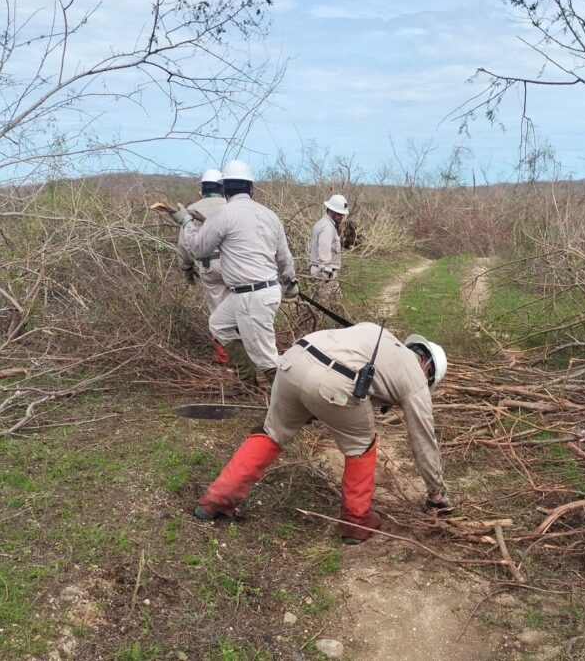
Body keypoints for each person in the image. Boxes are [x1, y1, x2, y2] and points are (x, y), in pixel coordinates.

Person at [191, 323, 453, 545]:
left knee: (272, 432)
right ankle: (356, 522)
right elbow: (423, 439)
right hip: (335, 381)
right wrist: (436, 493)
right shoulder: (416, 377)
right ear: (428, 368)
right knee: (362, 444)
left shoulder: (377, 334)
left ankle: (216, 500)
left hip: (292, 361)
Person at [172, 159, 297, 394]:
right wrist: (290, 282)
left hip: (251, 295)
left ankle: (288, 403)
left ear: (225, 189)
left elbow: (198, 249)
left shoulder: (223, 215)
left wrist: (187, 223)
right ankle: (246, 383)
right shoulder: (269, 215)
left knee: (265, 356)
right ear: (251, 188)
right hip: (262, 291)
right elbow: (284, 256)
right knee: (219, 324)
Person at [176, 168, 230, 366]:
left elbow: (184, 245)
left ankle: (224, 358)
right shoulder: (231, 207)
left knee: (219, 312)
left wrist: (187, 268)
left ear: (202, 188)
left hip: (208, 266)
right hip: (237, 265)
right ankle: (246, 356)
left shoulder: (190, 210)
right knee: (242, 308)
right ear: (222, 188)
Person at [308, 194, 348, 307]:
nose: (341, 217)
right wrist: (325, 275)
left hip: (321, 270)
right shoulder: (327, 228)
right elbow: (324, 251)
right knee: (325, 308)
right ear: (331, 210)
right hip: (325, 273)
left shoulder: (322, 223)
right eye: (339, 214)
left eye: (342, 214)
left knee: (335, 306)